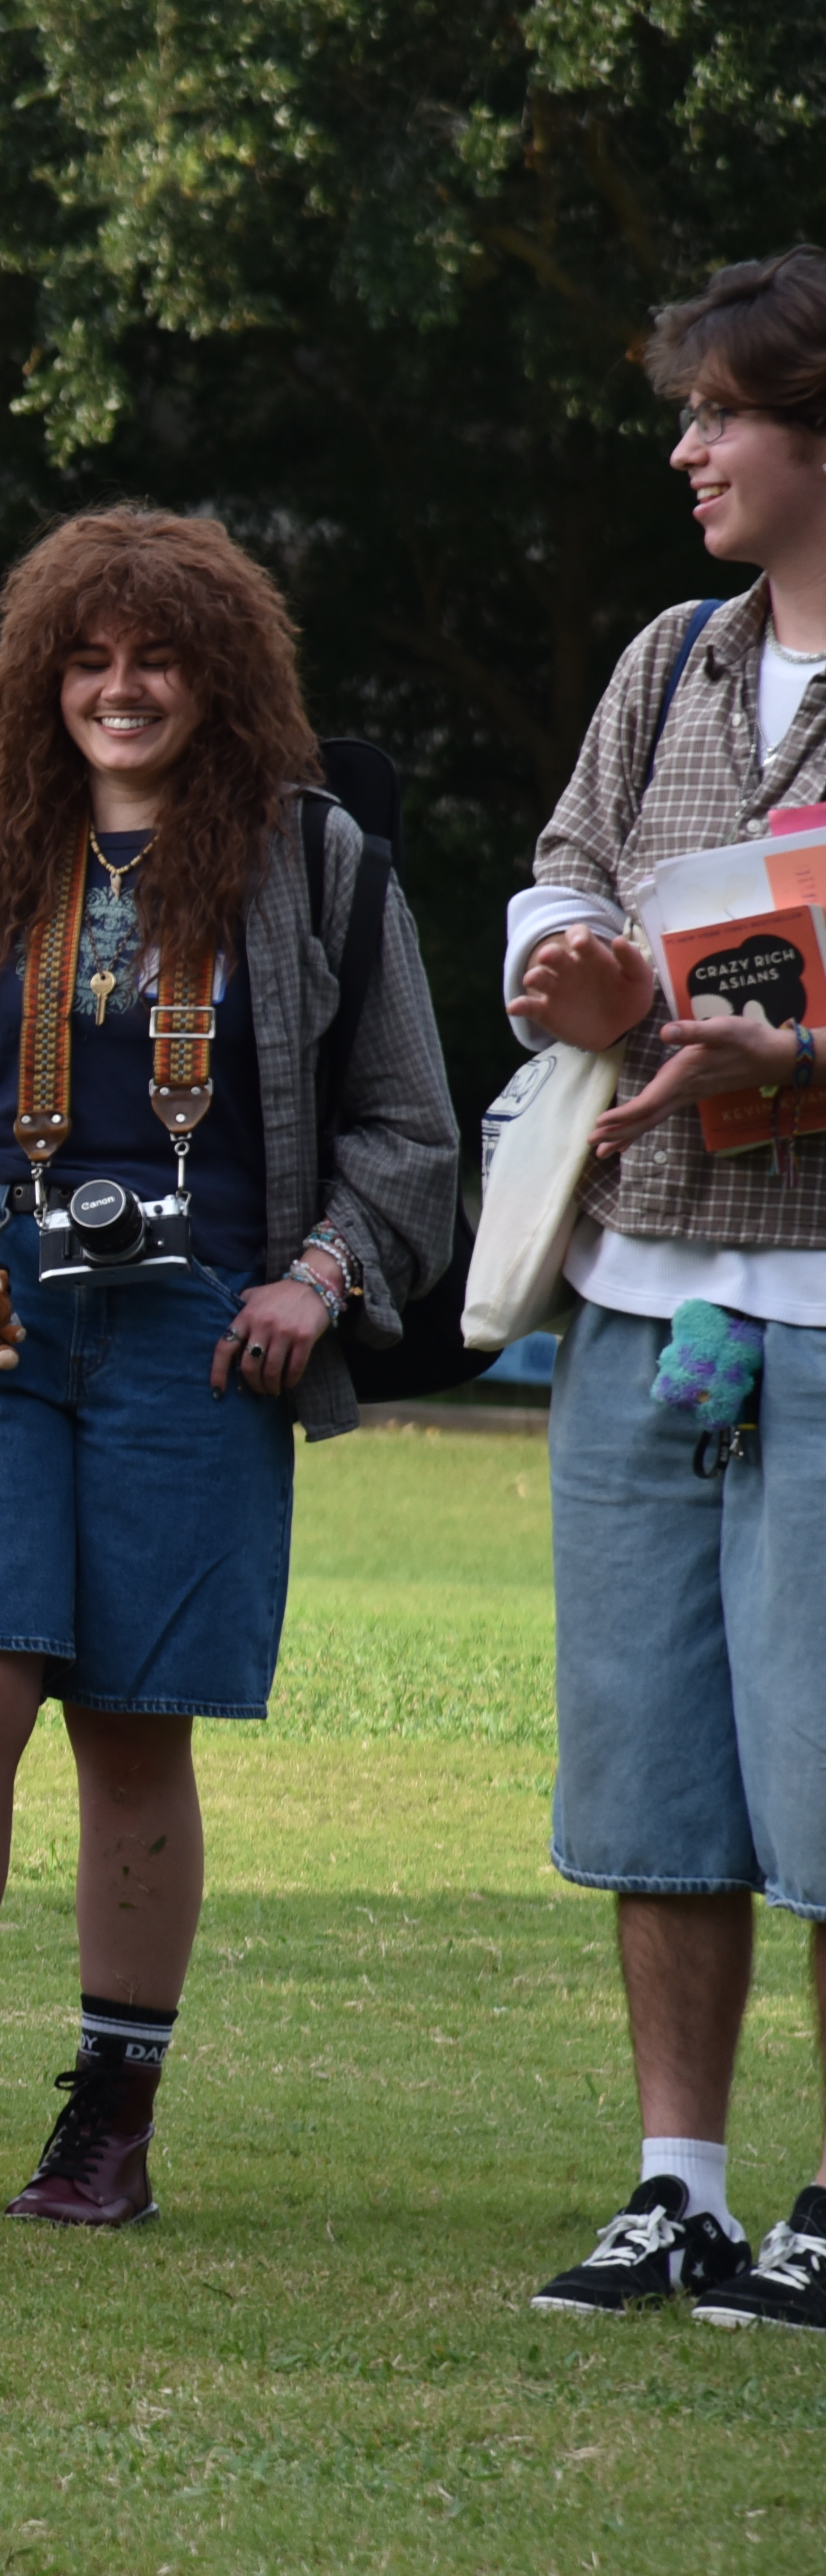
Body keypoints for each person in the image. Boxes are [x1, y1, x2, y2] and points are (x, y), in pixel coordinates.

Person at [0, 509, 459, 2227]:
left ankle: (108, 2124)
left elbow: (410, 1132)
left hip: (202, 1330)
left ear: (218, 676)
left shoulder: (319, 864)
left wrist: (320, 1276)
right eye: (88, 660)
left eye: (157, 657)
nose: (120, 688)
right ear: (42, 682)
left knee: (128, 1728)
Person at [504, 246, 826, 2328]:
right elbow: (566, 862)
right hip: (636, 1297)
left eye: (720, 414)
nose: (685, 449)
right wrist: (566, 963)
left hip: (821, 1303)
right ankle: (676, 2188)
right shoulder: (669, 658)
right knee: (653, 1774)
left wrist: (803, 1054)